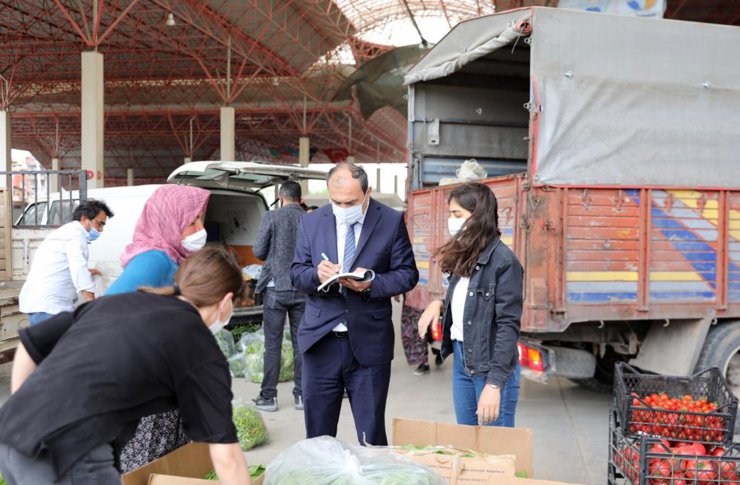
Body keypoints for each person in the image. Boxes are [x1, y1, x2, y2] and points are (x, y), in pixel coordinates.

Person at [0, 248, 251, 485]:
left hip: (11, 433)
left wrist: (27, 411)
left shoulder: (119, 302)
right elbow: (226, 457)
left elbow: (30, 345)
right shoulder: (199, 345)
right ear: (227, 299)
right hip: (69, 450)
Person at [291, 162, 418, 446]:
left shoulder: (390, 221)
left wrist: (371, 283)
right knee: (318, 437)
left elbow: (408, 274)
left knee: (371, 434)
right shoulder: (311, 222)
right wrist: (316, 274)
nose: (343, 207)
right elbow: (296, 272)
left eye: (350, 202)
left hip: (369, 344)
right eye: (336, 201)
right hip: (320, 340)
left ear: (368, 193)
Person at [104, 184, 210, 473]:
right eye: (192, 222)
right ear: (169, 220)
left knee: (168, 461)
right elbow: (108, 310)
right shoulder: (154, 258)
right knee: (146, 462)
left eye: (201, 219)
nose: (200, 228)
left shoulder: (175, 257)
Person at [417, 182, 523, 427]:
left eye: (458, 215)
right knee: (467, 444)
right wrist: (440, 303)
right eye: (450, 214)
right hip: (463, 359)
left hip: (491, 367)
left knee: (494, 452)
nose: (451, 221)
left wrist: (494, 384)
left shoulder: (504, 262)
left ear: (479, 217)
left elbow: (508, 326)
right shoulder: (466, 253)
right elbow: (470, 299)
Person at [252, 181, 306, 412]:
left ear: (280, 196)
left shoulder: (272, 217)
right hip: (303, 288)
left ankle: (269, 397)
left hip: (276, 289)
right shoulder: (310, 219)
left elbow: (258, 251)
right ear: (300, 198)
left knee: (272, 345)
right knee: (301, 344)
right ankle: (302, 396)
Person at [19, 199, 113, 326]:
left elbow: (65, 265)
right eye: (99, 224)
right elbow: (78, 268)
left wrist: (88, 272)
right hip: (48, 307)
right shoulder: (74, 235)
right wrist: (92, 303)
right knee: (55, 345)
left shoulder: (70, 233)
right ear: (84, 219)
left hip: (49, 305)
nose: (101, 230)